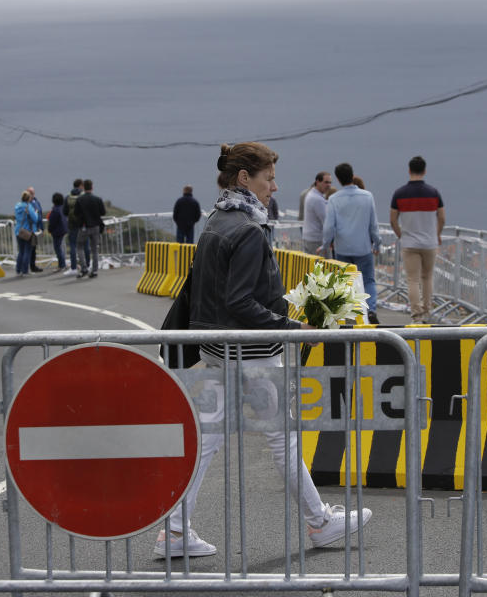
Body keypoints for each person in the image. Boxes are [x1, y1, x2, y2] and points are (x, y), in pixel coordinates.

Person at [153, 141, 372, 558]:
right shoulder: (250, 231)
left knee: (210, 437)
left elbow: (216, 292)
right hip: (252, 353)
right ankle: (320, 522)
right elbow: (240, 301)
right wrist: (292, 326)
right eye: (268, 178)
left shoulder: (218, 219)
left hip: (217, 348)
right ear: (244, 179)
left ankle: (176, 530)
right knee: (282, 439)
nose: (275, 185)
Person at [318, 163, 381, 325]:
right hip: (364, 247)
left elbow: (329, 227)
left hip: (343, 247)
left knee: (344, 280)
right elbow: (373, 225)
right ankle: (371, 309)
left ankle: (349, 313)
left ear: (338, 179)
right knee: (368, 280)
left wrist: (325, 245)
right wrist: (377, 243)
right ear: (352, 175)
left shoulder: (333, 199)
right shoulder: (367, 196)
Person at [390, 155, 446, 324]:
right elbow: (442, 217)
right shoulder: (434, 193)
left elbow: (393, 220)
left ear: (409, 170)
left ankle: (417, 314)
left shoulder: (399, 193)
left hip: (409, 243)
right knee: (427, 277)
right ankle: (428, 312)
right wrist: (436, 234)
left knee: (412, 279)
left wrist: (402, 235)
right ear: (424, 170)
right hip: (429, 243)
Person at [72, 179, 106, 278]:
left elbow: (76, 213)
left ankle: (84, 268)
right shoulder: (98, 199)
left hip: (84, 226)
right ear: (92, 187)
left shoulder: (80, 199)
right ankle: (94, 270)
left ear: (84, 187)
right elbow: (103, 212)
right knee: (94, 249)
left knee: (79, 247)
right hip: (95, 226)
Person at [302, 171, 332, 257]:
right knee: (324, 268)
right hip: (317, 240)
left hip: (308, 238)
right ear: (317, 182)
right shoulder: (317, 199)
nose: (328, 185)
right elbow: (326, 221)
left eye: (330, 183)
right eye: (326, 182)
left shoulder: (311, 195)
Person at [63, 179, 88, 276]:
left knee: (73, 246)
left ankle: (73, 268)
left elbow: (65, 211)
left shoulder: (68, 197)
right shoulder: (83, 196)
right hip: (83, 224)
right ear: (81, 185)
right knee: (85, 245)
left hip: (72, 224)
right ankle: (87, 265)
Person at [14, 191, 38, 276]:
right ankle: (25, 271)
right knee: (27, 251)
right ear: (28, 199)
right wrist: (36, 213)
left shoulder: (17, 206)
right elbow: (35, 219)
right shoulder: (28, 207)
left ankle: (18, 269)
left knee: (21, 251)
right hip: (27, 231)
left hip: (18, 231)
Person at [47, 192, 68, 271]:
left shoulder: (55, 210)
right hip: (63, 229)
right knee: (60, 247)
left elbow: (52, 222)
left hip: (57, 231)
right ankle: (62, 264)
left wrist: (50, 229)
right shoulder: (63, 208)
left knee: (57, 248)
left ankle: (61, 265)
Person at [27, 187, 44, 273]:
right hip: (30, 230)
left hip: (36, 229)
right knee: (29, 249)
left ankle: (33, 266)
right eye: (30, 193)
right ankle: (29, 266)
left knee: (33, 249)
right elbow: (34, 217)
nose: (32, 195)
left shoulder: (36, 202)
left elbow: (40, 215)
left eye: (32, 193)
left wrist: (41, 227)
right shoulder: (27, 204)